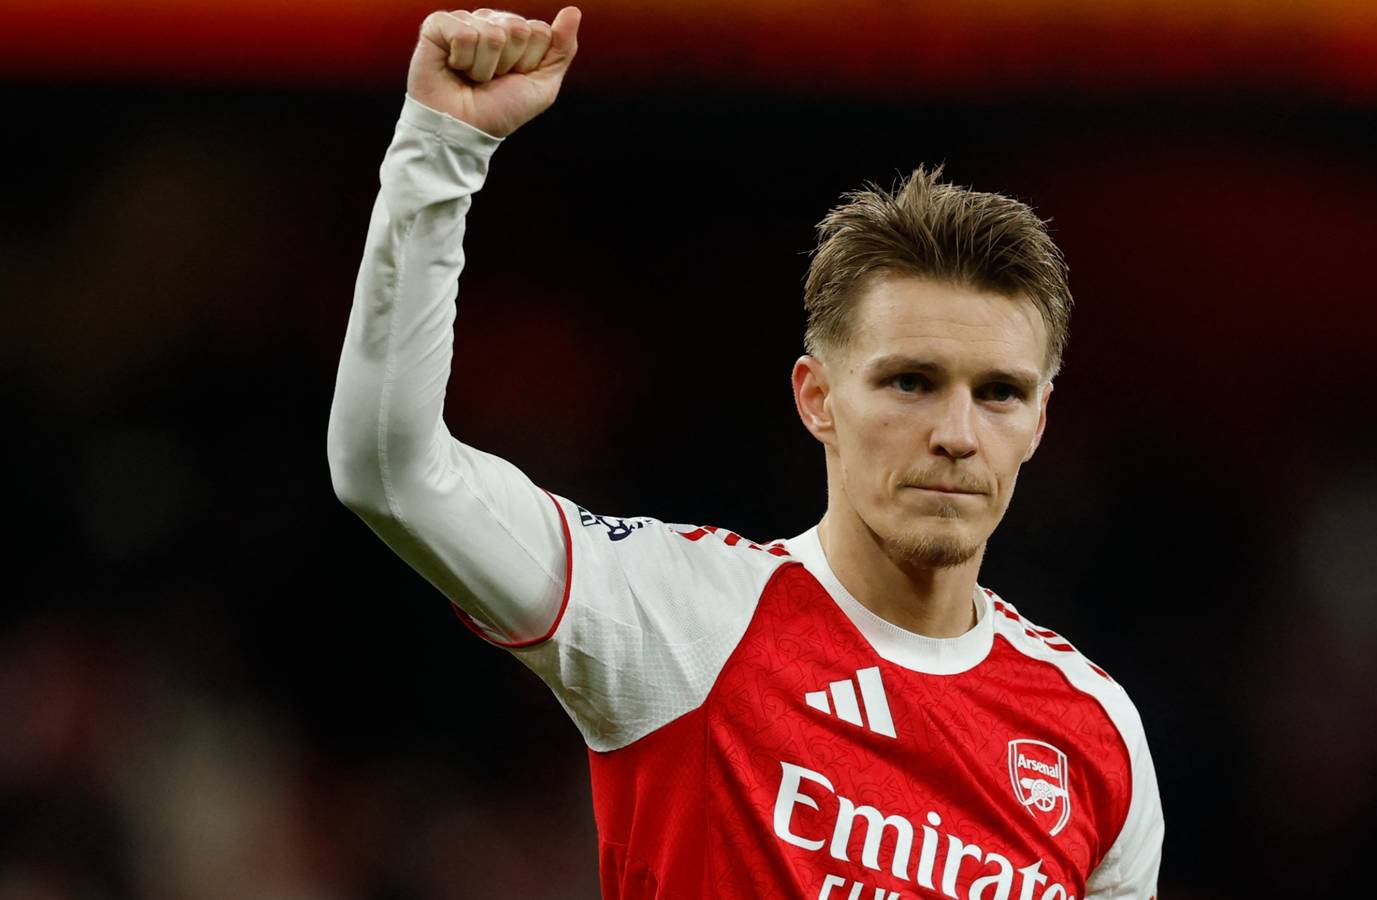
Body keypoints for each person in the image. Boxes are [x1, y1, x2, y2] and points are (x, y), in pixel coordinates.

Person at [328, 6, 1163, 898]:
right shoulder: (685, 621)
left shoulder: (1097, 736)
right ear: (817, 399)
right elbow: (393, 472)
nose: (957, 435)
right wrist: (440, 150)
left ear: (1039, 422)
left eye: (999, 393)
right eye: (910, 382)